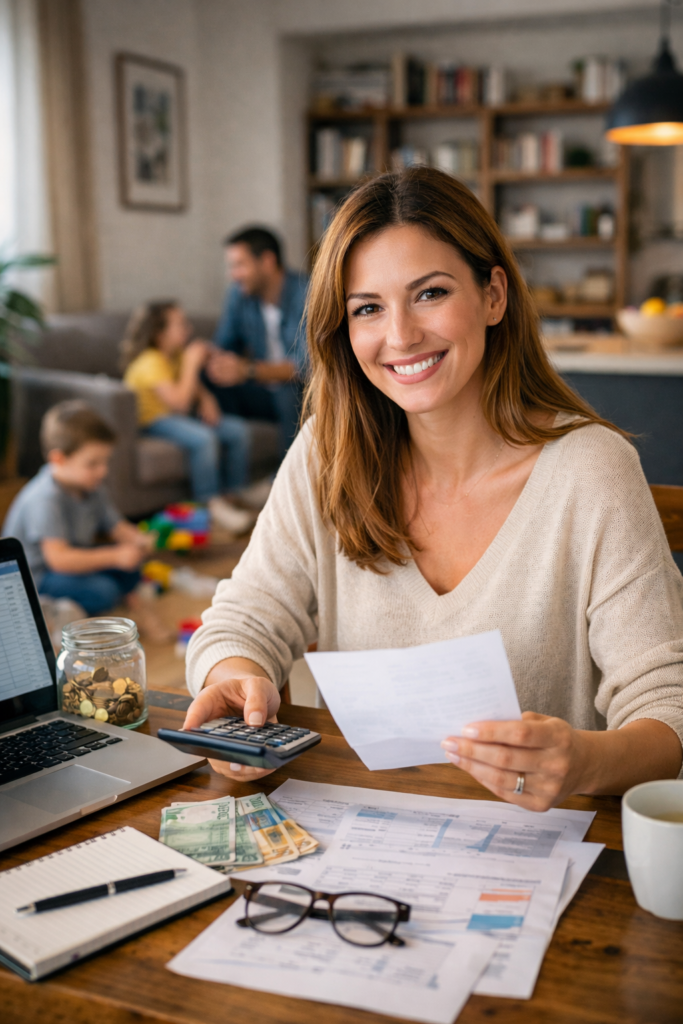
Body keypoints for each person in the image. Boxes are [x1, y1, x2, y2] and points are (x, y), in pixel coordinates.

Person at [182, 167, 683, 810]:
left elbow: (668, 708)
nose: (400, 336)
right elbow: (244, 618)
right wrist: (236, 677)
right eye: (368, 308)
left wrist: (584, 760)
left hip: (545, 855)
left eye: (429, 294)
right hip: (359, 838)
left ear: (494, 295)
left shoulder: (592, 469)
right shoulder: (326, 453)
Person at [2, 401, 166, 637]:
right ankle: (62, 615)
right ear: (59, 460)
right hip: (40, 577)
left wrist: (138, 540)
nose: (103, 471)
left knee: (132, 565)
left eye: (105, 462)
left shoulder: (92, 487)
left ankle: (114, 599)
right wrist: (115, 556)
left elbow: (116, 526)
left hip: (72, 564)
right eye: (93, 464)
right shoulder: (45, 498)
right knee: (104, 591)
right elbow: (59, 559)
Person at [122, 301, 253, 535]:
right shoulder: (150, 361)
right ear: (159, 333)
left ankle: (233, 495)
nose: (188, 329)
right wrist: (193, 363)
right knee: (203, 439)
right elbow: (181, 404)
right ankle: (209, 504)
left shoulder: (175, 355)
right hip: (152, 421)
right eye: (180, 324)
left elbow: (192, 387)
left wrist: (206, 399)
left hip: (173, 415)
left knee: (237, 431)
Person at [205, 226, 308, 464]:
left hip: (303, 392)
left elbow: (308, 366)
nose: (234, 275)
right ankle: (226, 487)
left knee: (287, 391)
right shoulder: (239, 294)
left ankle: (285, 482)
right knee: (209, 376)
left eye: (240, 265)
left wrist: (248, 370)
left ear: (267, 261)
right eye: (232, 266)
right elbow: (224, 345)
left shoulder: (307, 293)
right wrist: (208, 357)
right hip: (260, 390)